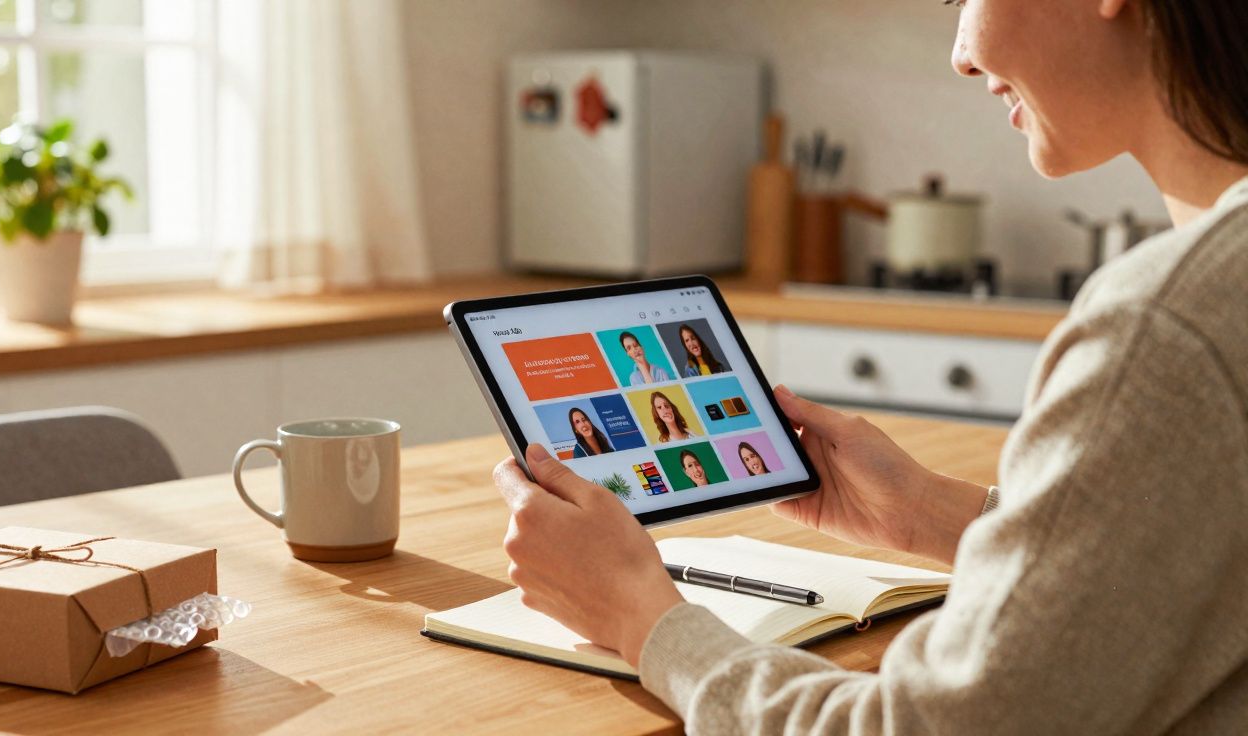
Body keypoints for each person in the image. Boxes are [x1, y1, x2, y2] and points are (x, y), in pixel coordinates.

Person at [492, 1, 1248, 733]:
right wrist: (928, 512)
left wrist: (639, 616)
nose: (961, 53)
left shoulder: (1167, 324)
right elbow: (1192, 566)